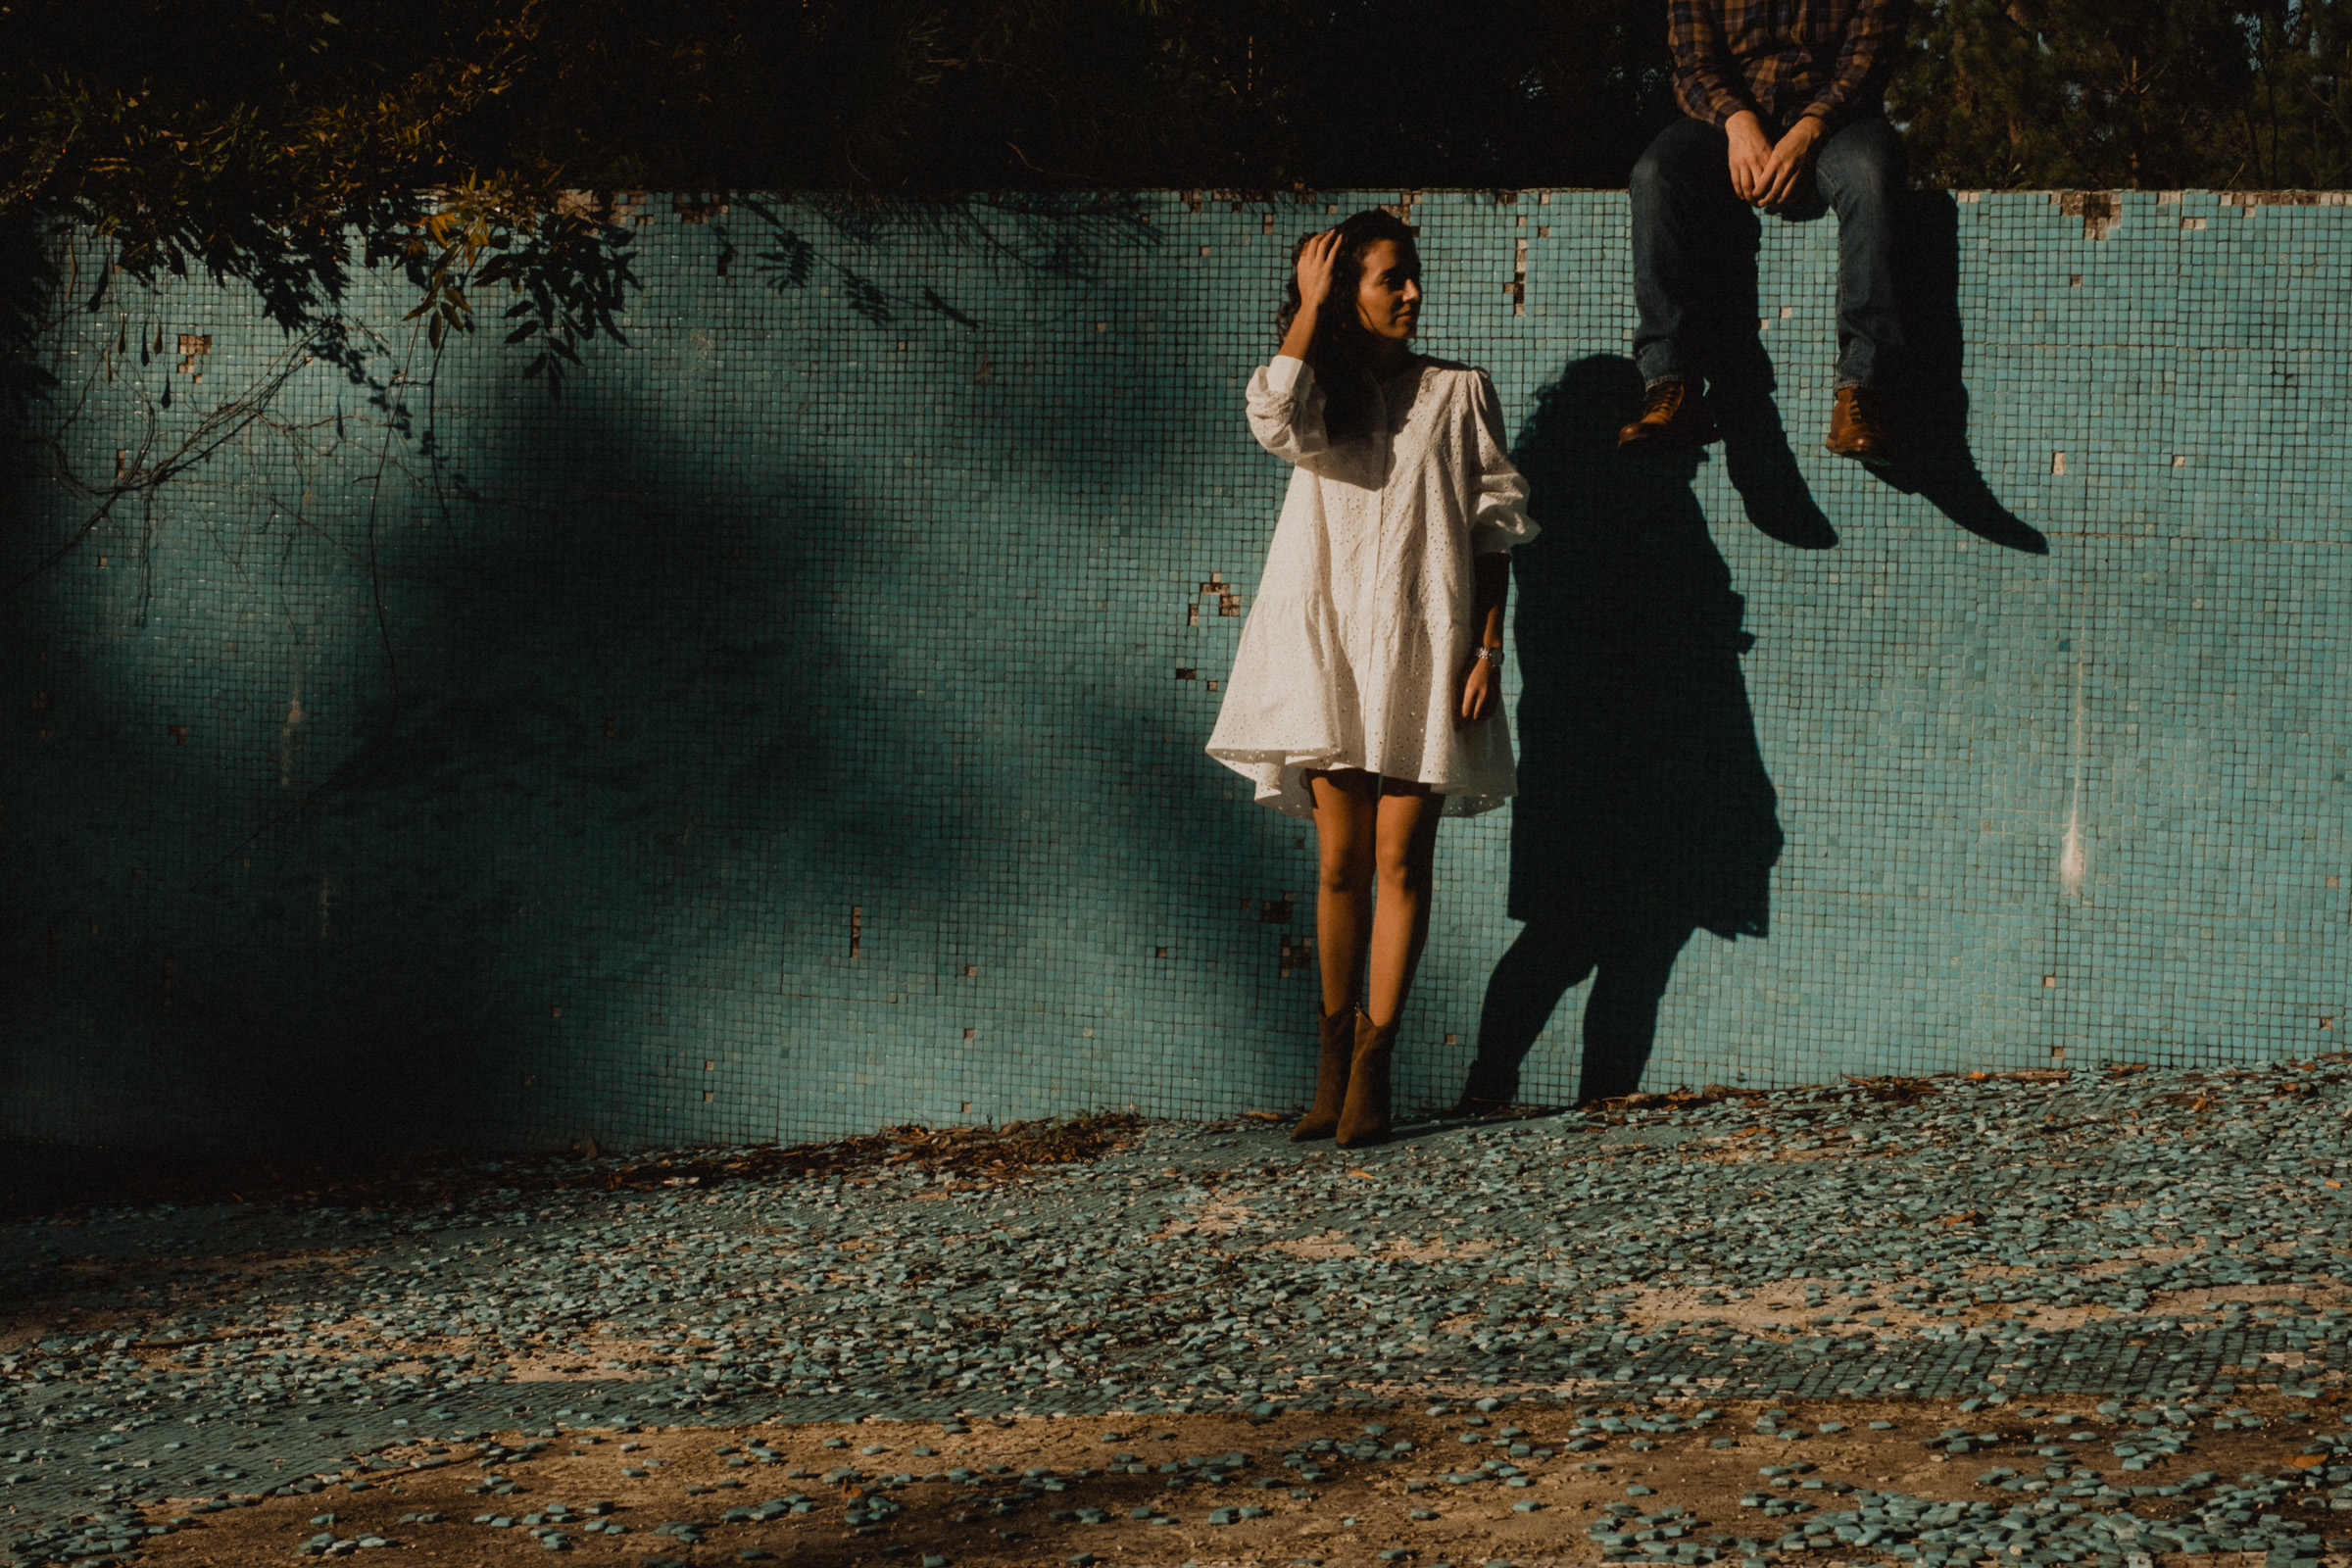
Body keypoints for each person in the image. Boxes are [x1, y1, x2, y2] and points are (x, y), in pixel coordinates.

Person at [1207, 208, 1538, 1150]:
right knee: (1339, 862)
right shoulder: (1317, 395)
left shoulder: (1461, 391)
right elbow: (1269, 417)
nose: (1413, 292)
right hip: (1333, 653)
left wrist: (1488, 649)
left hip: (1427, 648)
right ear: (1346, 289)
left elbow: (1494, 530)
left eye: (1413, 273)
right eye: (1392, 277)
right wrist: (1309, 310)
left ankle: (1373, 1068)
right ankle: (1330, 1061)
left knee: (1400, 860)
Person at [1617, 0, 1910, 461]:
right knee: (1655, 175)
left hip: (1837, 123)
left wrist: (1812, 128)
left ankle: (1863, 390)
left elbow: (1868, 58)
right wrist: (1738, 122)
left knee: (1870, 175)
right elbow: (1692, 65)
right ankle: (1671, 386)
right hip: (1729, 125)